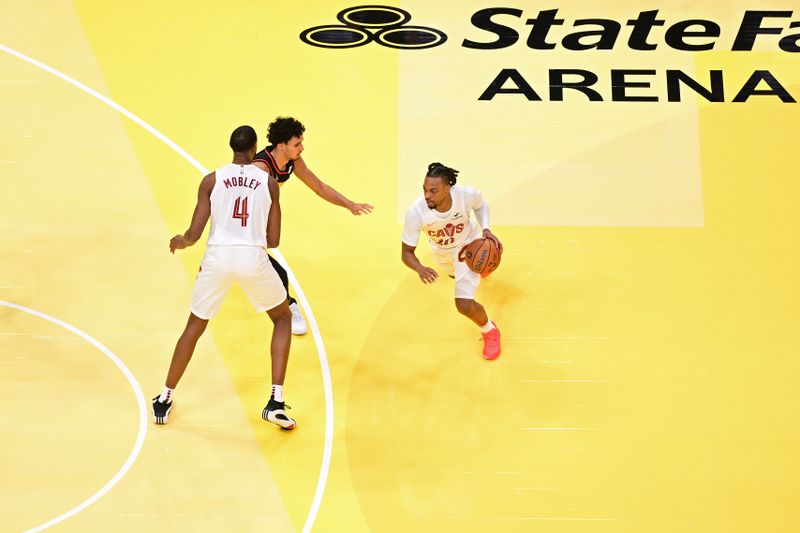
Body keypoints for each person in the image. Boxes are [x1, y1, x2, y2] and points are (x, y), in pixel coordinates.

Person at [152, 125, 296, 429]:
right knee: (283, 318)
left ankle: (165, 397)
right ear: (255, 148)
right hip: (252, 257)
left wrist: (181, 240)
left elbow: (194, 233)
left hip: (217, 256)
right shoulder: (269, 183)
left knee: (194, 326)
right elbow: (274, 239)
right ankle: (275, 401)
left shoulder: (211, 180)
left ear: (231, 147)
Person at [253, 116, 373, 335]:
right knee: (275, 271)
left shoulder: (292, 161)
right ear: (281, 145)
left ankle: (285, 302)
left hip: (262, 215)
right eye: (297, 144)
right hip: (248, 217)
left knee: (267, 268)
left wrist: (349, 204)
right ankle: (289, 306)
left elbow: (318, 186)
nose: (302, 148)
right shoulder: (260, 169)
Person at [401, 162, 503, 360]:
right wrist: (419, 268)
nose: (427, 195)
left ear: (448, 188)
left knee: (463, 304)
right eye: (424, 190)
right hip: (442, 253)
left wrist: (487, 229)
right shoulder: (416, 212)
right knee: (453, 273)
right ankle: (483, 264)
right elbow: (406, 253)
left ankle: (490, 331)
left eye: (433, 190)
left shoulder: (465, 195)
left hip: (469, 244)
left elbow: (481, 205)